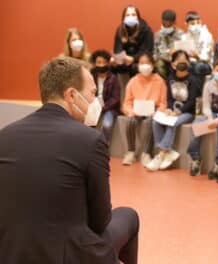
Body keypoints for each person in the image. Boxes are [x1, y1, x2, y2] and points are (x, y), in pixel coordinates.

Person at [0, 57, 139, 264]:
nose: (95, 103)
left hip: (10, 251)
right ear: (72, 95)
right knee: (129, 216)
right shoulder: (90, 139)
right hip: (67, 256)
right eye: (92, 94)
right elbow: (100, 221)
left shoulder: (4, 135)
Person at [147, 50, 201, 171]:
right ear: (173, 64)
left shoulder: (193, 80)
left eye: (184, 60)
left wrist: (178, 112)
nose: (181, 63)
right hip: (173, 111)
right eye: (178, 60)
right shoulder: (170, 78)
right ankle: (167, 152)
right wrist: (169, 109)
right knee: (156, 121)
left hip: (188, 113)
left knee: (172, 123)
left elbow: (192, 101)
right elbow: (170, 98)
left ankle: (161, 154)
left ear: (188, 63)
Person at [122, 52, 167, 166]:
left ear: (153, 65)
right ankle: (131, 152)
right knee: (130, 121)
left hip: (152, 113)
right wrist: (130, 111)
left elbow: (163, 103)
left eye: (147, 63)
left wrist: (157, 112)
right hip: (136, 112)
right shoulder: (133, 81)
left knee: (149, 122)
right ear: (137, 65)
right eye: (142, 63)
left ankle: (146, 153)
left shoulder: (159, 81)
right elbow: (127, 102)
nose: (145, 66)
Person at [113, 5, 155, 98]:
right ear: (123, 18)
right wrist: (118, 59)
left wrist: (133, 59)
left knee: (135, 67)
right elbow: (117, 49)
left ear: (138, 17)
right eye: (127, 15)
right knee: (117, 67)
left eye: (133, 14)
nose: (130, 17)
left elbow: (148, 51)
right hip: (125, 61)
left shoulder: (146, 30)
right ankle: (124, 100)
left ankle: (140, 98)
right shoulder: (120, 30)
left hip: (140, 60)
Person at [90, 49, 121, 143]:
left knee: (107, 124)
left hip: (109, 109)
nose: (101, 65)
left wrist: (104, 107)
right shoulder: (91, 77)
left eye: (104, 62)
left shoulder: (113, 78)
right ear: (94, 63)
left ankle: (103, 147)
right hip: (93, 107)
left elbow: (115, 98)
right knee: (87, 124)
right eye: (99, 62)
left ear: (108, 63)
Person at [181, 11, 214, 77]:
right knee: (182, 67)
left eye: (198, 23)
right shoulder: (184, 37)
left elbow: (206, 58)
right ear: (186, 24)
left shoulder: (207, 35)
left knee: (197, 66)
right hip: (190, 63)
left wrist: (197, 57)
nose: (196, 26)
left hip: (205, 64)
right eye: (192, 24)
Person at [154, 9, 184, 79]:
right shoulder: (157, 35)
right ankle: (164, 84)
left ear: (174, 22)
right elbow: (155, 51)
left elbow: (184, 51)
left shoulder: (180, 34)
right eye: (165, 24)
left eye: (169, 24)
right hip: (162, 60)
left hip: (176, 60)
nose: (167, 26)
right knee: (159, 64)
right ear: (162, 21)